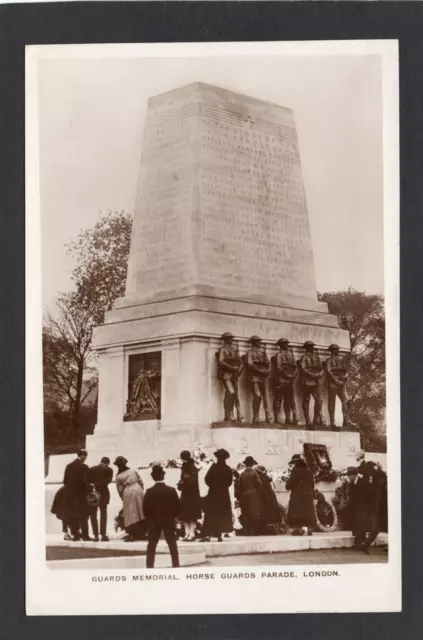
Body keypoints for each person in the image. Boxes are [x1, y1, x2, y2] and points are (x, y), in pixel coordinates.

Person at [143, 465, 180, 568]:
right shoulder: (171, 490)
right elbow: (178, 507)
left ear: (152, 477)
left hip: (154, 522)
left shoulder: (149, 492)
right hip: (168, 520)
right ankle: (176, 565)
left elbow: (145, 509)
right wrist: (172, 517)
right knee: (172, 544)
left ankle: (149, 566)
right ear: (163, 476)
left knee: (152, 545)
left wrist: (150, 520)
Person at [200, 449, 233, 542]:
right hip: (223, 494)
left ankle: (207, 535)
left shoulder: (213, 468)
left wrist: (213, 486)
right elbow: (229, 482)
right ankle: (219, 535)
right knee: (221, 514)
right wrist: (223, 487)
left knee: (211, 514)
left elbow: (206, 479)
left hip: (213, 493)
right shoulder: (228, 469)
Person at [348, 450, 378, 553]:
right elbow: (351, 493)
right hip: (357, 504)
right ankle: (359, 542)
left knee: (362, 522)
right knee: (358, 522)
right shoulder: (352, 482)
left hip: (364, 503)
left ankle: (361, 543)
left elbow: (368, 490)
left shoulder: (364, 468)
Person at [114, 456, 146, 541]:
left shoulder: (118, 476)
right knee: (140, 511)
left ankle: (132, 533)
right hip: (138, 489)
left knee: (130, 513)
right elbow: (140, 481)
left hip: (127, 491)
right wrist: (141, 490)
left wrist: (122, 497)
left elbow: (119, 489)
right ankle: (142, 532)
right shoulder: (133, 471)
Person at [325, 344, 356, 428]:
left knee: (345, 401)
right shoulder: (329, 360)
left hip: (341, 384)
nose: (338, 351)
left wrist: (344, 379)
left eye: (337, 349)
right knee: (332, 403)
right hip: (332, 385)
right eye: (336, 350)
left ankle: (347, 421)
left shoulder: (341, 360)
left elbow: (346, 371)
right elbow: (329, 372)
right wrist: (337, 381)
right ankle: (332, 421)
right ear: (332, 351)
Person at [63, 449, 91, 541]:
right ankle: (85, 535)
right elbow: (85, 482)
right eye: (85, 456)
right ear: (82, 456)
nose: (86, 458)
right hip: (80, 495)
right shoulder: (84, 467)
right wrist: (90, 488)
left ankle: (75, 534)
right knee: (83, 515)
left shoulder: (68, 466)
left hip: (69, 495)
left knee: (71, 515)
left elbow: (65, 481)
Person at [216, 332, 244, 422]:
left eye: (232, 338)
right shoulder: (222, 349)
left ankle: (228, 415)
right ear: (225, 339)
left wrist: (239, 371)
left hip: (234, 375)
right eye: (230, 338)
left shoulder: (235, 350)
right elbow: (221, 362)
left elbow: (241, 363)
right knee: (231, 392)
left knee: (234, 394)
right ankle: (230, 413)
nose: (232, 340)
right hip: (226, 374)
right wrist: (232, 368)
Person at [286, 454, 315, 535]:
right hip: (308, 496)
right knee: (307, 513)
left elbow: (290, 484)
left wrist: (287, 484)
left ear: (295, 463)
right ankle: (309, 528)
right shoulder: (309, 470)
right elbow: (312, 484)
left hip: (297, 496)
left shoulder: (295, 470)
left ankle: (297, 529)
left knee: (296, 513)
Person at [271, 338, 299, 425]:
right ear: (281, 345)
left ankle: (288, 417)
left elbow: (296, 367)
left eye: (287, 343)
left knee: (288, 399)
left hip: (290, 380)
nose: (287, 345)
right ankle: (277, 417)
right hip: (281, 380)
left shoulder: (291, 354)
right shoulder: (278, 355)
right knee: (278, 399)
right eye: (285, 343)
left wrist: (293, 375)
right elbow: (279, 368)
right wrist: (288, 376)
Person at [245, 336, 272, 423]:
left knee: (266, 397)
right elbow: (250, 364)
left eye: (259, 341)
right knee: (258, 395)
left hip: (263, 376)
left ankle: (267, 414)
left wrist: (267, 371)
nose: (259, 343)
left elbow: (268, 363)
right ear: (253, 342)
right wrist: (260, 371)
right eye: (257, 341)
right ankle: (255, 417)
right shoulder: (250, 352)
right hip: (255, 377)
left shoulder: (263, 351)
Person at [299, 341, 325, 428]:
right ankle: (307, 420)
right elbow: (303, 369)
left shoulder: (317, 357)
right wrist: (313, 375)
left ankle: (316, 419)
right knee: (306, 400)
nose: (312, 348)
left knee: (318, 400)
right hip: (307, 381)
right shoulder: (304, 357)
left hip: (316, 381)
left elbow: (321, 368)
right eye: (310, 346)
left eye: (312, 346)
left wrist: (320, 374)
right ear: (307, 348)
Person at [87, 456, 113, 542]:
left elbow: (87, 480)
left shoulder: (91, 469)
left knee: (93, 515)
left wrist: (94, 486)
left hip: (93, 494)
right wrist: (98, 485)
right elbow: (108, 481)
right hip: (103, 494)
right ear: (108, 463)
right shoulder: (109, 470)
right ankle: (103, 535)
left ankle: (95, 535)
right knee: (103, 514)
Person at [177, 450, 202, 541]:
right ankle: (187, 533)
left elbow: (193, 481)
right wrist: (180, 483)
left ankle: (192, 533)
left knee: (192, 515)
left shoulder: (193, 467)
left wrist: (184, 481)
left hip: (192, 494)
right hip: (186, 493)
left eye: (183, 459)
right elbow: (183, 479)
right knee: (185, 515)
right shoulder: (184, 467)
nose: (183, 461)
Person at [238, 456, 264, 535]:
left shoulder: (242, 474)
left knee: (245, 512)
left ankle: (247, 529)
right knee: (253, 512)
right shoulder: (254, 473)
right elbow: (259, 484)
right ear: (252, 464)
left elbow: (239, 485)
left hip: (244, 494)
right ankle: (253, 530)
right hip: (253, 494)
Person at [254, 465, 282, 533]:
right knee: (271, 514)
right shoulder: (265, 476)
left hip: (265, 498)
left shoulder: (260, 477)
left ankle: (269, 529)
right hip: (270, 497)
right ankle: (273, 528)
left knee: (267, 514)